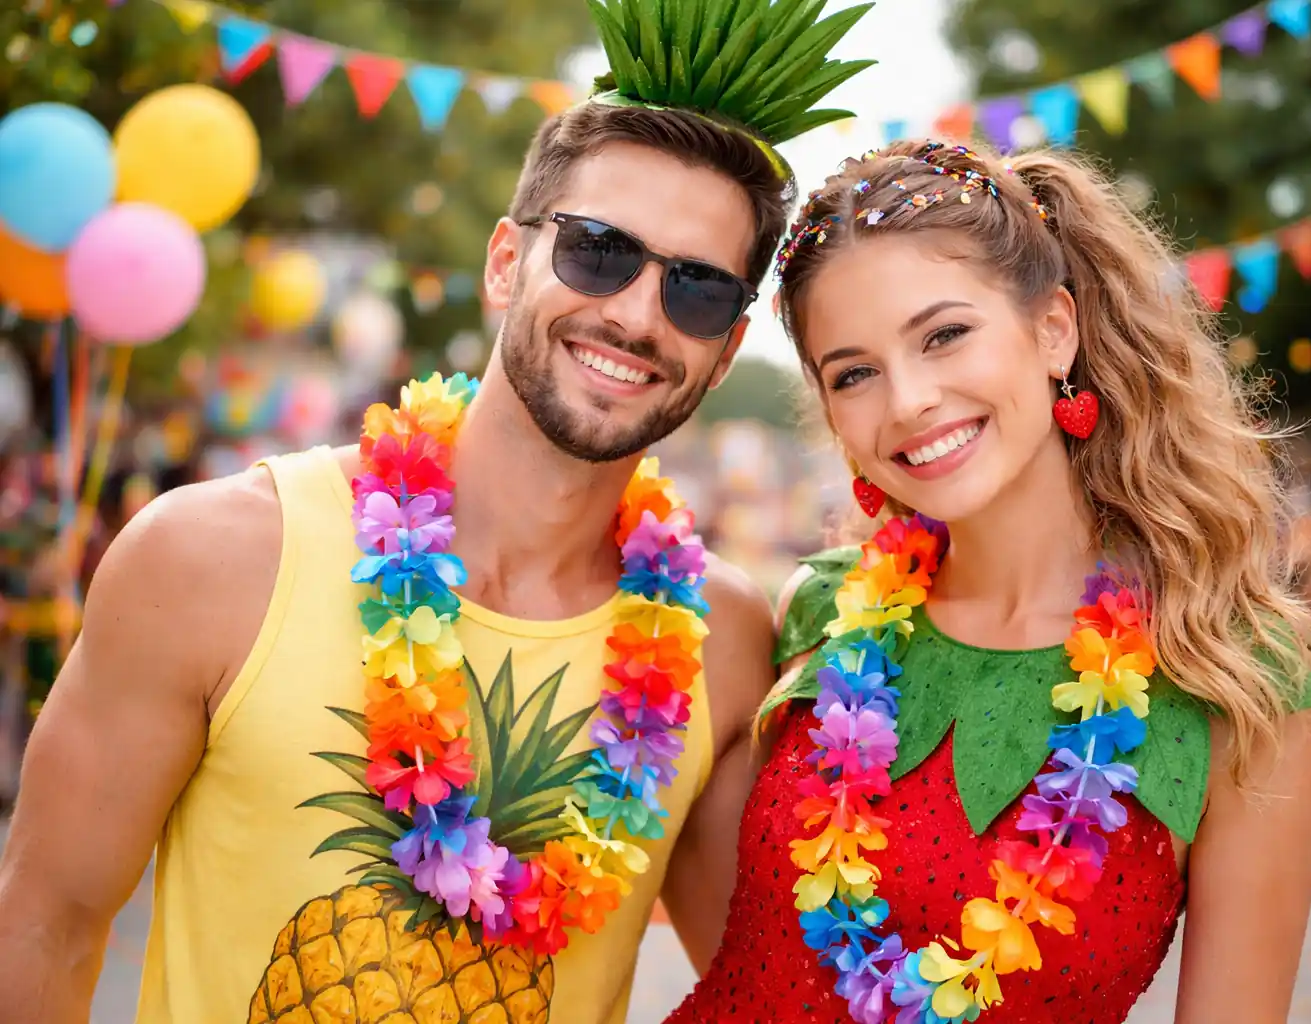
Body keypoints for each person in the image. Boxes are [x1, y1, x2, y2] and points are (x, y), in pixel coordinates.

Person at [0, 4, 878, 1021]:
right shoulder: (210, 558)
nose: (638, 314)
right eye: (599, 250)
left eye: (697, 291)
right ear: (507, 263)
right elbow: (43, 926)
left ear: (725, 351)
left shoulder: (722, 647)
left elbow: (771, 983)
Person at [666, 141, 1311, 1024]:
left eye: (944, 335)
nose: (907, 400)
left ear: (1054, 328)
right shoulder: (816, 616)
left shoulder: (1242, 680)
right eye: (855, 373)